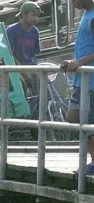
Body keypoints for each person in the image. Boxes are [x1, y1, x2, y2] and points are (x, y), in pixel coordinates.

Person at [61, 0, 94, 174]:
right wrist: (72, 62)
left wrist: (79, 62)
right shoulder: (86, 14)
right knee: (77, 117)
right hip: (83, 78)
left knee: (83, 118)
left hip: (91, 80)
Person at [6, 2, 41, 94]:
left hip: (31, 67)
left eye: (37, 16)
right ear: (24, 15)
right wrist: (23, 73)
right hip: (15, 68)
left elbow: (34, 55)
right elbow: (10, 55)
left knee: (44, 86)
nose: (36, 18)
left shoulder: (35, 32)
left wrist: (36, 70)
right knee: (22, 87)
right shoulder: (11, 31)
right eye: (33, 15)